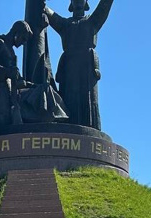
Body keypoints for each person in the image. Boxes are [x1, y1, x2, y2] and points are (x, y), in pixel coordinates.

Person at [44, 0, 115, 129]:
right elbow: (48, 13)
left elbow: (104, 6)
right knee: (69, 98)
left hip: (87, 67)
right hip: (69, 67)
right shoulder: (65, 25)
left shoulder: (92, 21)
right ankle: (68, 125)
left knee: (88, 99)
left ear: (86, 3)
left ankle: (90, 129)